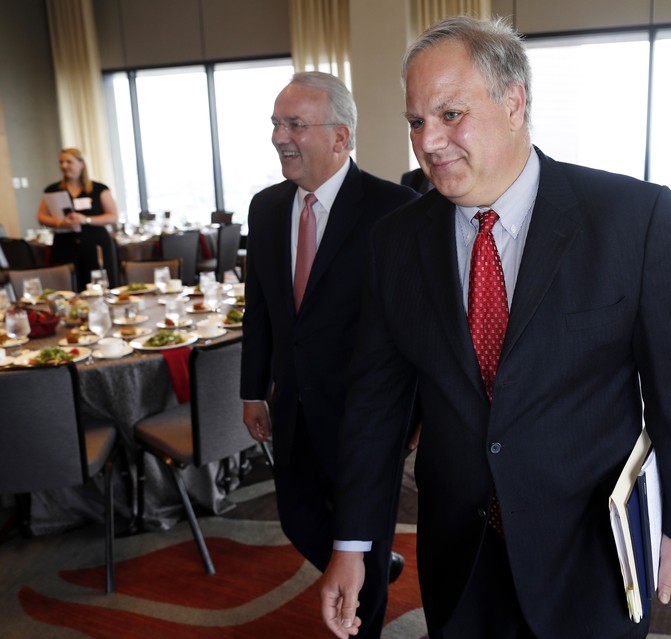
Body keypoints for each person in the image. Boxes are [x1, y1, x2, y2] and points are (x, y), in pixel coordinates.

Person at [320, 16, 671, 639]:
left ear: (513, 102)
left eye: (451, 114)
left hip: (590, 548)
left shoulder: (630, 218)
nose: (428, 141)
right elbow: (376, 404)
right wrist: (351, 543)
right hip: (460, 546)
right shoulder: (394, 241)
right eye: (417, 121)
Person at [240, 71, 419, 639]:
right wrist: (252, 388)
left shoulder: (397, 209)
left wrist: (416, 415)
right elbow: (260, 307)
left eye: (295, 124)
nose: (278, 136)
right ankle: (373, 572)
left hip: (367, 415)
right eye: (275, 122)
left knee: (363, 531)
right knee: (297, 520)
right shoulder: (266, 208)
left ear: (341, 137)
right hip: (291, 406)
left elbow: (414, 325)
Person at [37, 147, 119, 289]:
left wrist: (86, 219)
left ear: (81, 164)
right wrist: (60, 223)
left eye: (69, 162)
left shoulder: (98, 189)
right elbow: (41, 217)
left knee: (100, 285)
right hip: (65, 244)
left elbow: (113, 216)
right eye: (61, 162)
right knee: (68, 286)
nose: (64, 166)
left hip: (95, 243)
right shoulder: (52, 190)